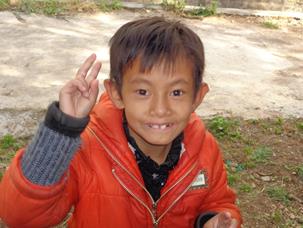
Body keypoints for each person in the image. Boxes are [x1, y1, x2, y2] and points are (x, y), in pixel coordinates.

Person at [0, 17, 241, 227]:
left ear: (197, 97)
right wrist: (61, 131)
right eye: (143, 92)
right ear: (116, 93)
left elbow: (217, 201)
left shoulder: (204, 149)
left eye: (176, 92)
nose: (160, 109)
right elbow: (19, 216)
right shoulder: (88, 149)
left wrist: (214, 219)